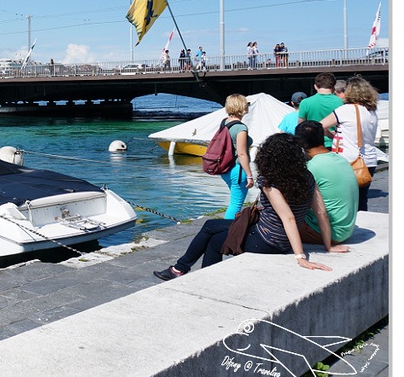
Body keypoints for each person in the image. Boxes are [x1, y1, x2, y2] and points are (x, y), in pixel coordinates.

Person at [153, 132, 338, 280]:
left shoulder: (270, 181)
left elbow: (288, 217)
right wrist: (328, 246)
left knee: (215, 241)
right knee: (210, 226)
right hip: (277, 237)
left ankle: (201, 279)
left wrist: (300, 257)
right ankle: (180, 269)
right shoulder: (307, 177)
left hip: (268, 241)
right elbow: (321, 212)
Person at [320, 76, 381, 211]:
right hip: (369, 161)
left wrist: (332, 135)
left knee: (345, 200)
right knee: (361, 200)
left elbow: (319, 126)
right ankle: (363, 227)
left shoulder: (346, 110)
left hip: (349, 161)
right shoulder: (371, 111)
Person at [294, 120, 358, 248]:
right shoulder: (342, 160)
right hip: (346, 230)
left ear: (300, 143)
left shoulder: (311, 167)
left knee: (269, 222)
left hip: (326, 233)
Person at [219, 94, 253, 219]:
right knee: (236, 204)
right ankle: (227, 231)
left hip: (225, 168)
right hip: (238, 170)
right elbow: (242, 153)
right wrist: (249, 175)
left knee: (234, 200)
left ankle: (229, 230)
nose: (248, 106)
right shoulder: (241, 128)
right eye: (246, 104)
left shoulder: (225, 123)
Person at [297, 72, 343, 147]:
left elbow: (301, 127)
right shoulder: (342, 103)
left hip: (313, 145)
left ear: (315, 86)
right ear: (334, 87)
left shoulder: (305, 103)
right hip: (336, 144)